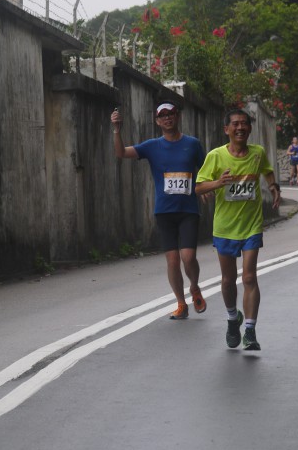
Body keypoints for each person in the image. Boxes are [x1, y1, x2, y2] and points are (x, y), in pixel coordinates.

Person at [110, 102, 207, 320]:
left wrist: (206, 186)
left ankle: (194, 286)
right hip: (164, 211)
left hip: (188, 209)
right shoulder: (152, 146)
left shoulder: (192, 144)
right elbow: (121, 153)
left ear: (177, 116)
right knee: (173, 260)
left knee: (188, 257)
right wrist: (117, 130)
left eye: (171, 114)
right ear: (157, 121)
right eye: (162, 116)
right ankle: (181, 304)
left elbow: (206, 168)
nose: (167, 118)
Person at [195, 109, 281, 351]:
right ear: (227, 129)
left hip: (251, 225)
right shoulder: (216, 156)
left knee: (249, 277)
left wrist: (274, 187)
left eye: (244, 124)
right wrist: (217, 183)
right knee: (228, 279)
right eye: (235, 124)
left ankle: (250, 331)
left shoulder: (257, 153)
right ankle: (233, 318)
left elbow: (266, 170)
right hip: (224, 227)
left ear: (249, 128)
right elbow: (198, 187)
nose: (240, 128)